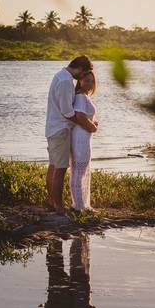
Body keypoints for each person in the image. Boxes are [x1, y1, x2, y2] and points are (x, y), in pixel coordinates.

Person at [45, 56, 96, 212]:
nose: (82, 78)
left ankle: (52, 202)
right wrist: (89, 125)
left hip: (54, 128)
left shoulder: (61, 76)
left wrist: (87, 122)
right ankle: (59, 207)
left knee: (54, 166)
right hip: (60, 129)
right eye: (84, 74)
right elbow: (68, 112)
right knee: (60, 168)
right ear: (80, 69)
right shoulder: (66, 81)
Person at [70, 71, 97, 211]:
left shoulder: (83, 96)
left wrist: (93, 123)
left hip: (83, 137)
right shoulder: (80, 96)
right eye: (86, 80)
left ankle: (82, 205)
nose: (89, 83)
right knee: (79, 172)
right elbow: (79, 116)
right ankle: (79, 206)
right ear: (79, 81)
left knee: (79, 170)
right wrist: (92, 127)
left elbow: (84, 116)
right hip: (80, 137)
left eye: (91, 81)